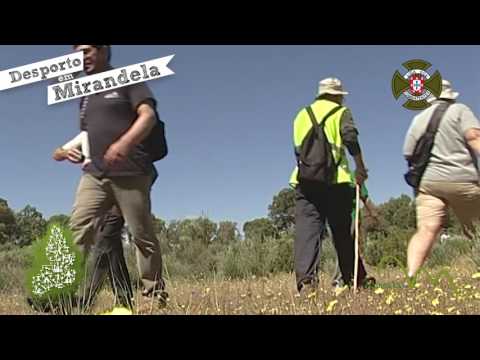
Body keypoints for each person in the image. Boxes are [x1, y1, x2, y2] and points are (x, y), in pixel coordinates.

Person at [65, 45, 167, 304]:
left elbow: (148, 116)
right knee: (78, 226)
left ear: (104, 51)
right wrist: (74, 151)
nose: (81, 57)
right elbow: (87, 134)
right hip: (95, 173)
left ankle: (153, 294)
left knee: (141, 233)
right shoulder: (85, 95)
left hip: (130, 170)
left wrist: (124, 143)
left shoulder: (127, 79)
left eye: (87, 50)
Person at [290, 77, 371, 293]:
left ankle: (307, 283)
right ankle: (353, 281)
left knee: (307, 233)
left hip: (305, 182)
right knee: (342, 234)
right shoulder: (340, 113)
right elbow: (350, 138)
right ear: (338, 96)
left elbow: (299, 151)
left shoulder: (301, 116)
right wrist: (360, 167)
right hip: (336, 182)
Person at [404, 79, 480, 279]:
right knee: (476, 229)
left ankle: (411, 276)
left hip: (429, 184)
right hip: (462, 179)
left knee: (426, 230)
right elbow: (473, 137)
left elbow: (408, 152)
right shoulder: (460, 110)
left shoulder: (419, 118)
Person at [331, 182, 378, 288]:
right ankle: (349, 278)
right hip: (336, 219)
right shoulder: (329, 177)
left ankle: (353, 278)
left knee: (348, 248)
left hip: (352, 218)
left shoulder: (354, 178)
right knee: (345, 248)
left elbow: (365, 197)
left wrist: (374, 212)